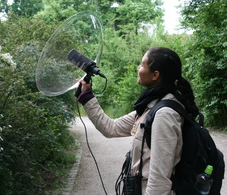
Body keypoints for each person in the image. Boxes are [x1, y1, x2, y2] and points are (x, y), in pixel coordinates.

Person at [77, 47, 200, 195]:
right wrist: (87, 97)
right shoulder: (151, 106)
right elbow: (111, 128)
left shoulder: (164, 114)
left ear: (155, 75)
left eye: (142, 64)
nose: (138, 68)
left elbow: (159, 183)